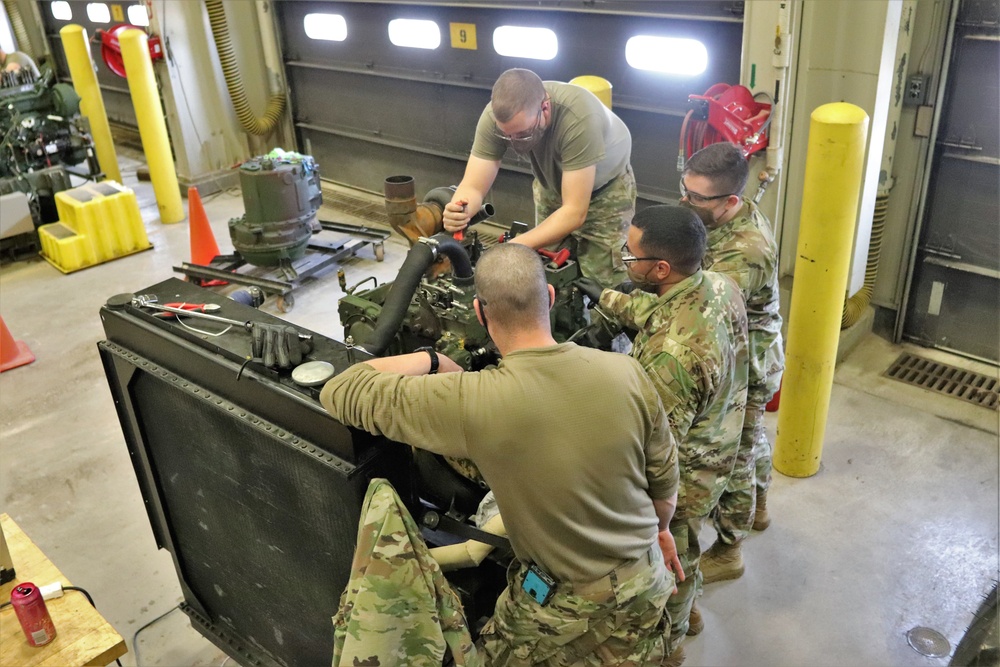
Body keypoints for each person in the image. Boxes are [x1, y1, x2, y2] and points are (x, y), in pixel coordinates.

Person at [321, 242, 683, 665]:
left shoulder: (475, 401)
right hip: (648, 577)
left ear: (479, 312)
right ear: (549, 296)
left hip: (568, 603)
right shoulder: (627, 371)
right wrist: (656, 533)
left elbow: (341, 390)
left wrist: (431, 358)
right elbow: (664, 484)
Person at [580, 205, 748, 662]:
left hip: (688, 473)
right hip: (722, 440)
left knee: (668, 554)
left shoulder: (670, 360)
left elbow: (654, 450)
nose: (623, 262)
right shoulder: (718, 284)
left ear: (660, 268)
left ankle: (669, 643)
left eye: (629, 256)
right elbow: (662, 312)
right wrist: (606, 298)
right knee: (688, 544)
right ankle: (689, 612)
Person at [680, 142, 784, 584]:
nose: (686, 202)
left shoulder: (747, 249)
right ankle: (759, 509)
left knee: (733, 457)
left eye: (697, 198)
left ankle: (729, 550)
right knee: (753, 439)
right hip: (747, 351)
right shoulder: (718, 220)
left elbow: (705, 307)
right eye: (685, 190)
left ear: (730, 202)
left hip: (749, 364)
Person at [443, 68, 635, 288]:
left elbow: (574, 212)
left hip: (606, 196)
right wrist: (460, 211)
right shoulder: (497, 116)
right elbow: (474, 186)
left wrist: (513, 247)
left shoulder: (579, 118)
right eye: (507, 135)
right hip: (551, 187)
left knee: (608, 283)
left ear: (545, 107)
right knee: (546, 271)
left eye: (522, 133)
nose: (514, 142)